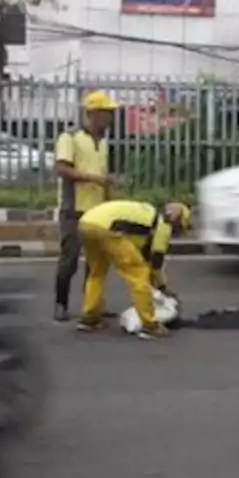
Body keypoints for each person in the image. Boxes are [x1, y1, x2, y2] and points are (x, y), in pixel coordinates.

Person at [75, 199, 189, 339]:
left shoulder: (146, 214)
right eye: (179, 228)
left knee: (97, 273)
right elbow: (156, 261)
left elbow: (143, 252)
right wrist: (162, 286)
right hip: (108, 228)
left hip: (86, 223)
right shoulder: (163, 224)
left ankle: (89, 318)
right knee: (139, 274)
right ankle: (149, 325)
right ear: (176, 219)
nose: (175, 233)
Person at [54, 91, 120, 322]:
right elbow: (62, 169)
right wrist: (94, 179)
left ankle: (91, 306)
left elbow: (104, 176)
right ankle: (60, 304)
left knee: (97, 263)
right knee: (69, 259)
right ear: (92, 114)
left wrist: (111, 202)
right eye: (106, 114)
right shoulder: (70, 137)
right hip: (74, 209)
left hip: (98, 211)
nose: (110, 119)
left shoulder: (103, 141)